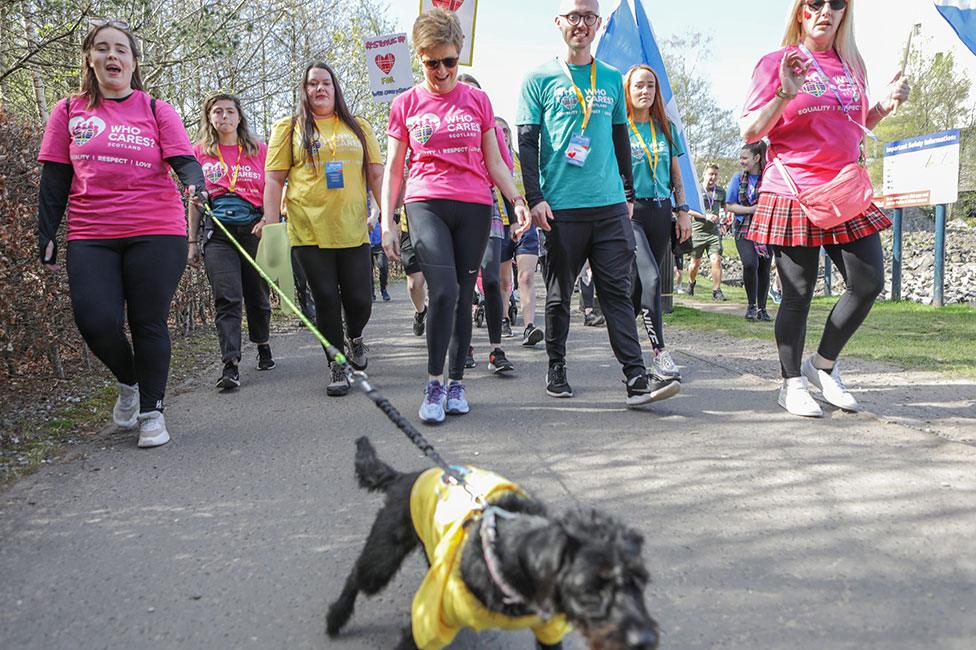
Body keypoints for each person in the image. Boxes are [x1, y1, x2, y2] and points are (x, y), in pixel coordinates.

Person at [36, 20, 205, 447]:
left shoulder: (155, 109)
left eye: (121, 50)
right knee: (94, 320)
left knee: (147, 321)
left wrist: (194, 181)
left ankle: (152, 411)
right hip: (92, 232)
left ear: (133, 62)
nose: (113, 56)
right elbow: (55, 177)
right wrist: (47, 231)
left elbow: (185, 160)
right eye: (103, 49)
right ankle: (129, 381)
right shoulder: (69, 110)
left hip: (156, 228)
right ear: (90, 60)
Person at [740, 0, 909, 416]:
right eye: (814, 3)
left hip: (844, 190)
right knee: (798, 292)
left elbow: (852, 126)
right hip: (794, 191)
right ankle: (791, 382)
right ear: (800, 11)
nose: (825, 11)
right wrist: (785, 92)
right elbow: (750, 130)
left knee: (868, 282)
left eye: (836, 3)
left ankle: (823, 366)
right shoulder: (777, 61)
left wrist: (885, 105)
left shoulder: (852, 64)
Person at [517, 0, 681, 406]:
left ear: (598, 23)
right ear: (558, 22)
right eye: (573, 16)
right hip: (562, 209)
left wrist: (627, 195)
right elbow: (526, 142)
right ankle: (557, 366)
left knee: (617, 294)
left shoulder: (610, 78)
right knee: (559, 296)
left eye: (589, 17)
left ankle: (637, 379)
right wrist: (535, 198)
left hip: (609, 208)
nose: (581, 24)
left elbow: (621, 139)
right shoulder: (538, 77)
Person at [382, 9, 530, 424]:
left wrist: (515, 198)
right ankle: (433, 382)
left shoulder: (478, 100)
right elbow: (394, 167)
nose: (442, 71)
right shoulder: (406, 103)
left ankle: (457, 382)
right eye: (432, 62)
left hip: (474, 204)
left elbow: (496, 162)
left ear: (459, 56)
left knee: (466, 295)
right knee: (442, 291)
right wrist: (386, 220)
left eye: (450, 61)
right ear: (419, 57)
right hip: (425, 200)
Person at [263, 62, 383, 397]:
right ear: (304, 90)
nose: (319, 89)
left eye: (326, 83)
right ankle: (337, 362)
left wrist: (388, 216)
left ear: (335, 88)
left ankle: (356, 336)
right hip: (308, 229)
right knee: (326, 299)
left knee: (360, 300)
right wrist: (272, 228)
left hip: (353, 228)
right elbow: (273, 181)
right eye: (312, 84)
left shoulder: (358, 126)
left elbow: (375, 174)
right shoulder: (288, 128)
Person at [188, 92, 273, 391]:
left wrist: (269, 220)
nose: (224, 117)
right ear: (209, 118)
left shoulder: (259, 150)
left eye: (229, 112)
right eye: (218, 112)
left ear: (239, 116)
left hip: (253, 229)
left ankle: (262, 342)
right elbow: (194, 199)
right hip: (218, 234)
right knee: (227, 296)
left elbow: (273, 188)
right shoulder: (199, 153)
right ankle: (230, 364)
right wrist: (192, 242)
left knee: (257, 294)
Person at [624, 63, 692, 382]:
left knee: (638, 290)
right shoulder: (619, 129)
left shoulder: (666, 129)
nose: (645, 91)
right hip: (632, 214)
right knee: (652, 280)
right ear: (628, 89)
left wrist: (683, 210)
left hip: (661, 212)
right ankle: (659, 355)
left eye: (650, 86)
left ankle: (629, 357)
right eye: (639, 85)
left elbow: (676, 175)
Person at [456, 73, 515, 375]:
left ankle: (496, 349)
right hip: (454, 204)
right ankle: (464, 346)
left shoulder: (487, 124)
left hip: (486, 203)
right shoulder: (449, 125)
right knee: (462, 284)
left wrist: (517, 212)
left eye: (476, 94)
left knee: (491, 279)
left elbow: (503, 169)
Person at [496, 116, 545, 348]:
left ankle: (529, 326)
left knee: (525, 276)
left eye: (506, 131)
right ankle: (503, 319)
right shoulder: (487, 162)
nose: (503, 134)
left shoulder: (519, 161)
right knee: (503, 280)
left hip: (524, 225)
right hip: (498, 226)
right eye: (497, 131)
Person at [726, 142, 773, 322]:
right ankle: (751, 305)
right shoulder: (737, 179)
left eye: (745, 158)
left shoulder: (769, 178)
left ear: (757, 158)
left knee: (764, 267)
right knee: (750, 263)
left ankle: (762, 308)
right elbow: (730, 206)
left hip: (766, 228)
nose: (741, 161)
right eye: (741, 158)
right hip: (743, 228)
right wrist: (752, 210)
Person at [687, 164, 727, 301]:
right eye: (711, 174)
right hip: (697, 232)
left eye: (716, 174)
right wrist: (705, 216)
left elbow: (724, 207)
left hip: (713, 233)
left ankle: (717, 290)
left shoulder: (721, 192)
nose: (713, 177)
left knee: (716, 260)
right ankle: (691, 282)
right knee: (694, 264)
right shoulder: (696, 190)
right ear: (704, 174)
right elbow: (687, 209)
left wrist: (724, 217)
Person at [369, 213, 390, 302]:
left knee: (383, 266)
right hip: (365, 242)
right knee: (368, 270)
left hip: (379, 243)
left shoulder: (378, 202)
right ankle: (371, 293)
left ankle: (383, 289)